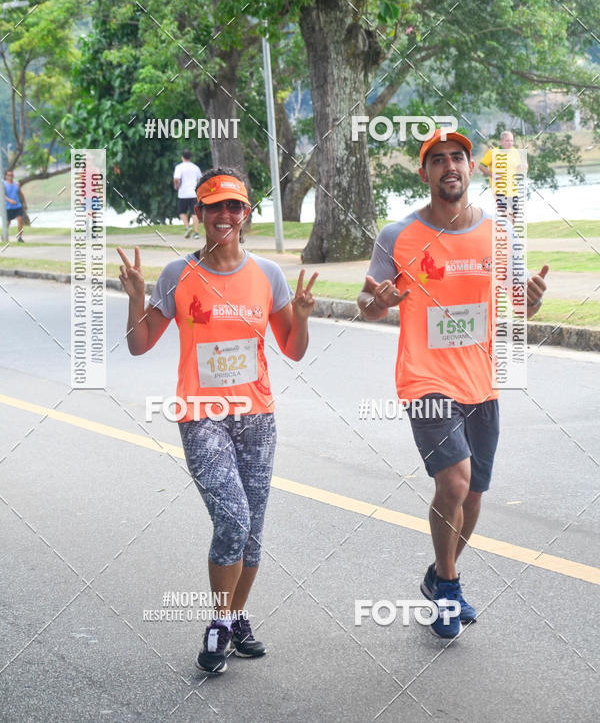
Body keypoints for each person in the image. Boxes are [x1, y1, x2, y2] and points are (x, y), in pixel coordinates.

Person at [117, 167, 317, 674]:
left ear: (246, 213)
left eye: (234, 206)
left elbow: (292, 350)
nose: (225, 215)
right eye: (214, 207)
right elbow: (140, 345)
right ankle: (218, 622)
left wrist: (305, 317)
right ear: (200, 214)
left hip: (257, 418)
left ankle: (235, 618)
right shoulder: (178, 275)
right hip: (202, 416)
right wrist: (137, 298)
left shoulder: (267, 275)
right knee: (232, 518)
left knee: (252, 531)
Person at [358, 130, 548, 639]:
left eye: (458, 158)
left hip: (481, 382)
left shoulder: (498, 234)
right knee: (455, 481)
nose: (449, 166)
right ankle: (447, 586)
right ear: (424, 173)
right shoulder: (397, 235)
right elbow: (370, 304)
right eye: (437, 159)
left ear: (471, 169)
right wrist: (379, 302)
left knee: (475, 495)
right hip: (425, 380)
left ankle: (440, 575)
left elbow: (518, 307)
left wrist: (530, 299)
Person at [479, 130, 525, 222]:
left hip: (513, 190)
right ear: (501, 141)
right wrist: (492, 174)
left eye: (511, 140)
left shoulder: (515, 152)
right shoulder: (493, 152)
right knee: (507, 214)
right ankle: (508, 234)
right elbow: (481, 166)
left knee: (514, 216)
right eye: (507, 141)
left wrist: (524, 166)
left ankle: (509, 234)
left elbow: (519, 168)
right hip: (499, 190)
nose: (510, 143)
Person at [173, 149, 202, 238]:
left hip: (183, 193)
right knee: (194, 213)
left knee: (182, 212)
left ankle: (187, 227)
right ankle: (196, 233)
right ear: (190, 157)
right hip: (193, 193)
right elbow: (200, 179)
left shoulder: (179, 167)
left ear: (182, 157)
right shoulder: (195, 167)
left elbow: (176, 178)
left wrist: (176, 186)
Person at [3, 169, 27, 242]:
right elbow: (2, 195)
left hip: (17, 206)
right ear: (6, 176)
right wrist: (10, 200)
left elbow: (21, 194)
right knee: (8, 223)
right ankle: (4, 235)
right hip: (8, 207)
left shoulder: (16, 184)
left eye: (12, 175)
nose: (11, 177)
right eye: (9, 175)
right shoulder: (3, 184)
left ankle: (19, 237)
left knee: (20, 221)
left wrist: (25, 203)